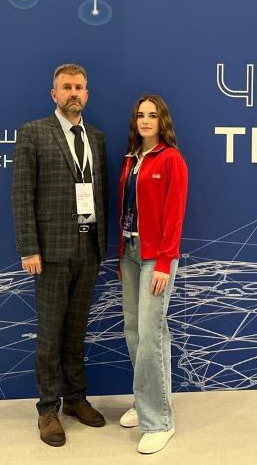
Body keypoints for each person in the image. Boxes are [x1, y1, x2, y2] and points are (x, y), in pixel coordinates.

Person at [11, 63, 109, 447]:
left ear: (87, 94)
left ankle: (75, 398)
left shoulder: (96, 138)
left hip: (88, 249)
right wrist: (29, 247)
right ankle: (48, 408)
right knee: (50, 334)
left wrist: (102, 247)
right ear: (54, 94)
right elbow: (22, 194)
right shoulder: (33, 132)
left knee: (77, 331)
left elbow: (100, 194)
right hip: (50, 252)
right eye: (66, 87)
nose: (73, 93)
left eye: (79, 87)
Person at [117, 94, 188, 454]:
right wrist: (120, 254)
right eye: (140, 115)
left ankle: (159, 421)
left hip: (155, 257)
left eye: (152, 115)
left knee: (151, 335)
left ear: (162, 121)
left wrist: (163, 261)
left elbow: (174, 214)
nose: (145, 120)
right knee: (133, 330)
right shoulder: (131, 159)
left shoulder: (171, 159)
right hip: (129, 253)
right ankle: (144, 401)